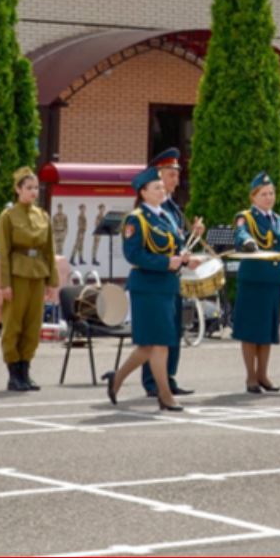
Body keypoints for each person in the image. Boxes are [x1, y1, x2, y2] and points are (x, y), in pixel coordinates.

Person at [104, 167, 200, 411]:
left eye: (161, 187)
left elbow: (175, 248)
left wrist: (187, 258)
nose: (161, 190)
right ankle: (165, 395)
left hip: (167, 286)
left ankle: (117, 379)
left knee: (150, 345)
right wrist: (166, 262)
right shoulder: (136, 219)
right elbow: (133, 254)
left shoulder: (165, 217)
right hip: (147, 287)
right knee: (158, 343)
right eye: (156, 187)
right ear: (143, 192)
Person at [141, 148, 199, 398]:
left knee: (174, 329)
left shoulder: (172, 208)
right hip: (155, 279)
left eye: (177, 175)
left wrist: (194, 235)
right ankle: (152, 381)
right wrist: (171, 261)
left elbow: (178, 243)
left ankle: (169, 376)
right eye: (170, 175)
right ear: (157, 177)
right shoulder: (148, 212)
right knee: (157, 332)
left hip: (172, 280)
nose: (176, 180)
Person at [0, 167, 60, 392]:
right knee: (14, 323)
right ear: (18, 189)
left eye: (36, 188)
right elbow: (3, 252)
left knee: (33, 325)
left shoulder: (42, 215)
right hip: (17, 272)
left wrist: (53, 280)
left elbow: (50, 249)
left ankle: (25, 370)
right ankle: (13, 372)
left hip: (38, 271)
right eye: (29, 188)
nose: (34, 192)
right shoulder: (8, 216)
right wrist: (4, 283)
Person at [232, 172, 280, 394]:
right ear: (253, 197)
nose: (268, 197)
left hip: (273, 282)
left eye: (271, 193)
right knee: (250, 332)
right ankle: (250, 377)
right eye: (263, 194)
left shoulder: (279, 220)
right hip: (253, 282)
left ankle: (263, 375)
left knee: (267, 332)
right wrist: (246, 241)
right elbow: (240, 233)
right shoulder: (246, 217)